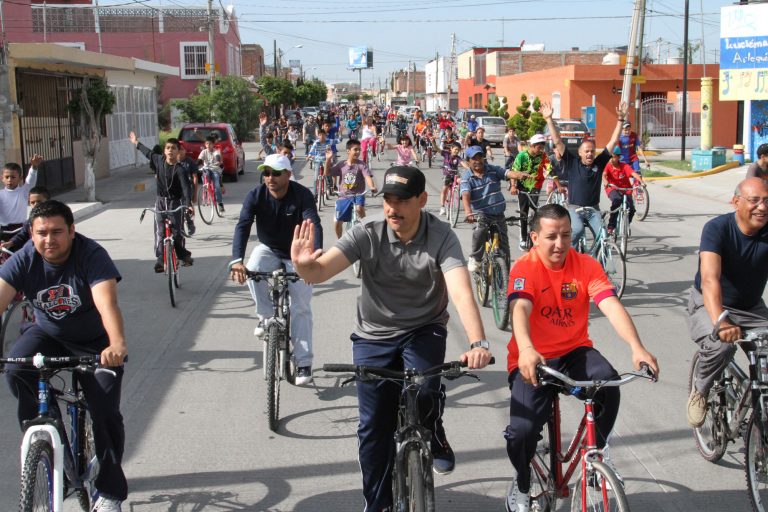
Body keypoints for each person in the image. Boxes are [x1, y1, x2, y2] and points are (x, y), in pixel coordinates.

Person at [290, 165, 493, 512]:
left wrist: (477, 343)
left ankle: (433, 428)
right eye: (387, 200)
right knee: (374, 429)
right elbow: (321, 271)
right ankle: (378, 504)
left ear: (422, 200)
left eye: (402, 200)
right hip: (373, 335)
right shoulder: (367, 233)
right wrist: (303, 265)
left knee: (427, 389)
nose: (392, 208)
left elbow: (460, 292)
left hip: (423, 328)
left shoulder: (441, 235)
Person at [504, 203, 659, 512]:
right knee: (521, 432)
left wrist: (636, 347)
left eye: (565, 235)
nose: (560, 243)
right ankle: (523, 483)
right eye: (551, 236)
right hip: (533, 357)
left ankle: (596, 453)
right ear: (535, 238)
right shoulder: (525, 267)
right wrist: (526, 349)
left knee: (610, 385)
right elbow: (519, 308)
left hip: (575, 351)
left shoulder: (586, 265)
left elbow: (610, 304)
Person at [0, 200, 129, 512]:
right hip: (48, 334)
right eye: (41, 233)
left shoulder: (91, 255)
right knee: (17, 369)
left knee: (105, 413)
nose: (49, 240)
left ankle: (110, 490)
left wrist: (116, 343)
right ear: (31, 234)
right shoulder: (24, 259)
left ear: (72, 231)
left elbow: (106, 303)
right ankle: (46, 435)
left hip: (95, 342)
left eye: (57, 232)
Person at [229, 154, 321, 386]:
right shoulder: (255, 195)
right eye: (266, 172)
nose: (270, 177)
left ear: (289, 174)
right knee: (253, 268)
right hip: (269, 248)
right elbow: (243, 225)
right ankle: (266, 318)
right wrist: (236, 260)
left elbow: (314, 224)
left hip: (297, 253)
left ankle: (303, 363)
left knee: (301, 307)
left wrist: (314, 257)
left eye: (276, 173)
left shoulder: (302, 195)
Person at [686, 177, 768, 427]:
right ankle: (700, 390)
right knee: (722, 347)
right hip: (710, 303)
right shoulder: (717, 228)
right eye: (754, 200)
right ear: (736, 202)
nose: (762, 207)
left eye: (766, 201)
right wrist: (721, 321)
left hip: (752, 308)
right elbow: (710, 279)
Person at [543, 101, 626, 244]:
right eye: (586, 151)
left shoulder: (599, 163)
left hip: (593, 209)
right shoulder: (572, 162)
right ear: (580, 153)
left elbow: (613, 142)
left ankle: (599, 263)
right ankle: (571, 263)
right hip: (575, 209)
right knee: (577, 230)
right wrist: (549, 119)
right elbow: (557, 141)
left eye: (592, 151)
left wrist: (620, 120)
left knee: (603, 237)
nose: (589, 154)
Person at [129, 131, 194, 272]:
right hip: (160, 202)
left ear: (178, 151)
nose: (170, 150)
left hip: (175, 203)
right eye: (168, 148)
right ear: (164, 150)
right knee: (160, 232)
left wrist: (188, 204)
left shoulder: (180, 170)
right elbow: (147, 152)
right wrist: (136, 142)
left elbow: (186, 188)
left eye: (173, 148)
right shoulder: (158, 160)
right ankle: (160, 260)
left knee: (177, 233)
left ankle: (183, 255)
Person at [461, 145, 527, 271]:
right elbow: (465, 194)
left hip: (498, 213)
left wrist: (519, 175)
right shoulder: (466, 177)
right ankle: (475, 258)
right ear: (468, 161)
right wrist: (468, 212)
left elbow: (507, 173)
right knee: (479, 231)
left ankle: (504, 279)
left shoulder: (492, 170)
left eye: (480, 157)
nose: (478, 161)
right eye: (474, 158)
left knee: (505, 249)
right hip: (482, 214)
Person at [325, 139, 377, 238]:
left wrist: (372, 187)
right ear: (348, 151)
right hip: (344, 196)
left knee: (359, 208)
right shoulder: (341, 164)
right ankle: (340, 242)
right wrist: (328, 159)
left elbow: (367, 177)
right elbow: (327, 173)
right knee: (337, 223)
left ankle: (365, 226)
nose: (358, 152)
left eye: (359, 150)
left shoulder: (361, 164)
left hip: (358, 195)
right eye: (355, 149)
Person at [510, 134, 550, 250]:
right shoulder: (522, 155)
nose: (541, 149)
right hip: (522, 187)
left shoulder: (543, 156)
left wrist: (553, 177)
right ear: (532, 146)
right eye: (539, 147)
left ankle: (536, 235)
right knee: (524, 212)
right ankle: (523, 238)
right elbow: (514, 171)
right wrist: (513, 186)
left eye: (542, 147)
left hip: (536, 186)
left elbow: (549, 168)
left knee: (536, 210)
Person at [603, 146, 644, 235]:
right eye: (610, 156)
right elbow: (604, 175)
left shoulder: (624, 166)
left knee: (632, 209)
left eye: (613, 156)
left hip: (626, 190)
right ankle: (611, 226)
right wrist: (605, 181)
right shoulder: (608, 165)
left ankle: (626, 224)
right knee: (617, 201)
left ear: (618, 157)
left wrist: (641, 182)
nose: (611, 159)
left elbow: (633, 173)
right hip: (612, 188)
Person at [0, 155, 43, 239]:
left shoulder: (24, 192)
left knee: (23, 251)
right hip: (3, 231)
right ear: (2, 178)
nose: (9, 180)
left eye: (13, 177)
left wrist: (34, 167)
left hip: (20, 230)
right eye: (7, 177)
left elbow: (31, 180)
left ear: (20, 178)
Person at [1, 185, 51, 251]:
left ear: (48, 201)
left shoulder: (56, 218)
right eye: (32, 203)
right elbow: (22, 235)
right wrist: (10, 243)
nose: (36, 205)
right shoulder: (30, 221)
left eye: (39, 202)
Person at [439, 142, 467, 216]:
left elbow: (463, 164)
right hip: (447, 175)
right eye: (455, 149)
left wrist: (469, 169)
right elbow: (437, 149)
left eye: (458, 150)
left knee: (462, 181)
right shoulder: (446, 154)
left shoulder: (458, 158)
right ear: (451, 149)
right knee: (444, 189)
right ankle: (442, 207)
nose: (457, 151)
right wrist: (433, 142)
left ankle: (460, 193)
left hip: (455, 175)